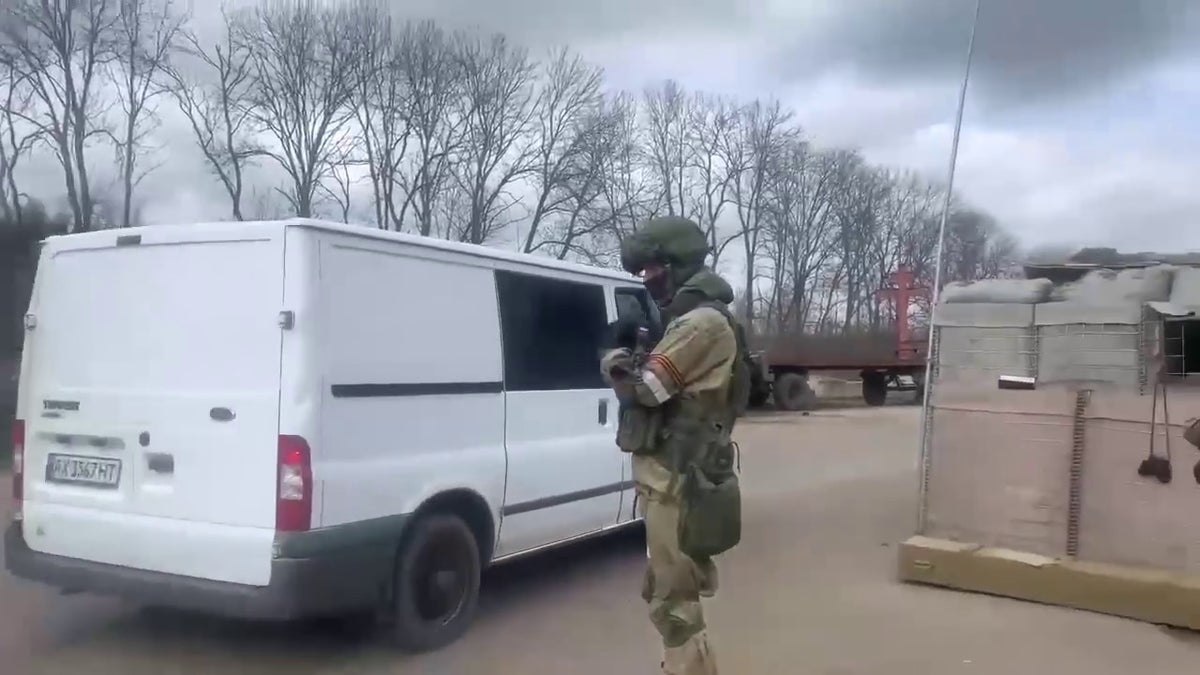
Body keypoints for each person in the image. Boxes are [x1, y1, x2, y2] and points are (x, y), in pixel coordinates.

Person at [600, 216, 749, 675]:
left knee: (673, 603)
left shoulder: (702, 323)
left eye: (652, 271)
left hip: (676, 481)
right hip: (671, 476)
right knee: (669, 592)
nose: (647, 281)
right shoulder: (688, 320)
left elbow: (647, 389)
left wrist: (611, 358)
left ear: (677, 264)